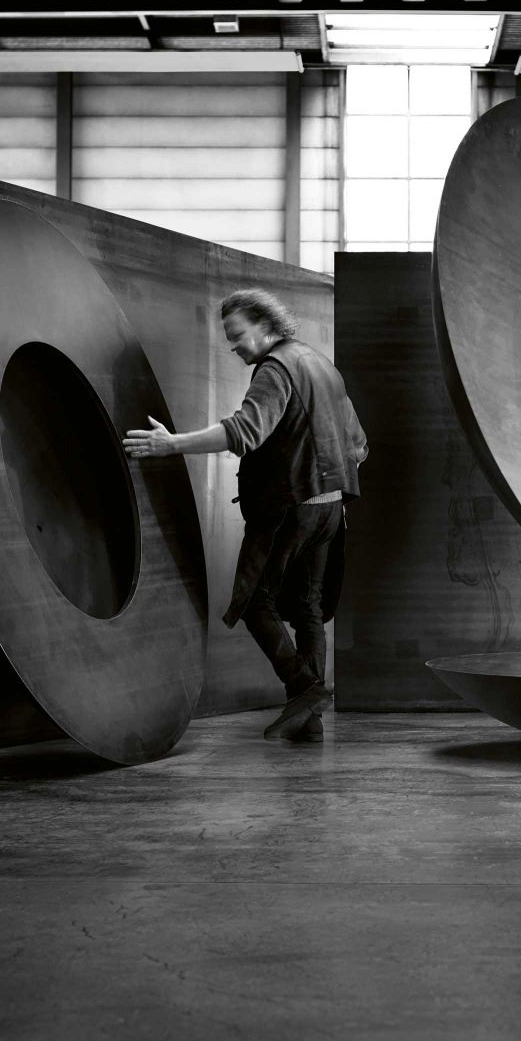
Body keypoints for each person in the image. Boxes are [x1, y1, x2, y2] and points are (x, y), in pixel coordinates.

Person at [123, 289, 366, 743]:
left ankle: (305, 688)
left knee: (255, 602)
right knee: (309, 610)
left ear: (265, 323)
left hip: (292, 508)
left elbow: (244, 431)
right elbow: (359, 445)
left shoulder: (275, 369)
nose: (233, 348)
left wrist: (170, 445)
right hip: (331, 508)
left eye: (237, 336)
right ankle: (307, 719)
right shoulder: (322, 366)